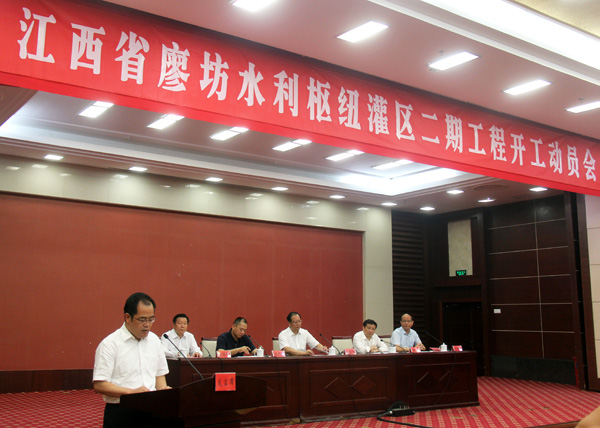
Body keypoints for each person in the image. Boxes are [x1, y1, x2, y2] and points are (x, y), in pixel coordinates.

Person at [93, 292, 171, 428]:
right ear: (127, 317)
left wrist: (163, 389)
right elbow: (100, 385)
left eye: (151, 319)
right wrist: (131, 392)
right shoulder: (110, 344)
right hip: (121, 411)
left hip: (152, 410)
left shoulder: (155, 341)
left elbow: (159, 375)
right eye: (142, 320)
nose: (147, 325)